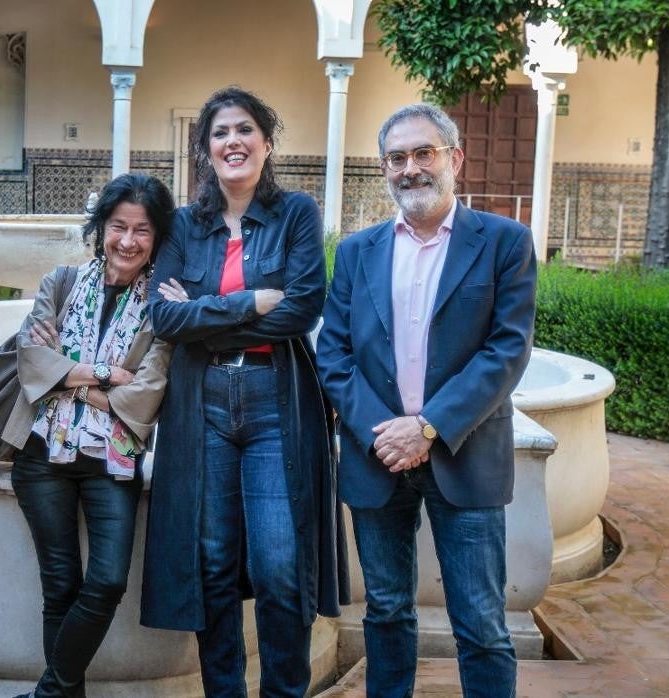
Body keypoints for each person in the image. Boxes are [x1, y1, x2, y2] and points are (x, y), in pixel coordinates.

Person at [316, 102, 537, 697]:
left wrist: (430, 427)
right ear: (384, 168)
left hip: (465, 457)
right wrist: (384, 432)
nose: (410, 168)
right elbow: (333, 354)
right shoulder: (358, 252)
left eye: (424, 153)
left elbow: (506, 351)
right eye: (397, 157)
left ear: (455, 159)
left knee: (482, 623)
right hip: (376, 458)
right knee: (385, 612)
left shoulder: (505, 243)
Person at [139, 86, 347, 697]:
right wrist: (248, 301)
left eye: (244, 130)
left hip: (273, 400)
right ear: (206, 150)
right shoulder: (184, 224)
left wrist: (202, 312)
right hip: (200, 403)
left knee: (280, 565)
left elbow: (304, 307)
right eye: (220, 133)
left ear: (266, 142)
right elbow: (161, 316)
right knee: (211, 563)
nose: (233, 141)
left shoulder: (297, 214)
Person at [0, 173, 174, 698]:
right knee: (60, 588)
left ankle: (48, 693)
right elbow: (32, 363)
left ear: (157, 239)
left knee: (106, 582)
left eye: (142, 230)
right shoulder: (60, 283)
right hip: (41, 455)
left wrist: (67, 375)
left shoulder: (159, 308)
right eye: (118, 226)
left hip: (111, 462)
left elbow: (145, 397)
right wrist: (103, 376)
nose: (127, 240)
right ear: (100, 229)